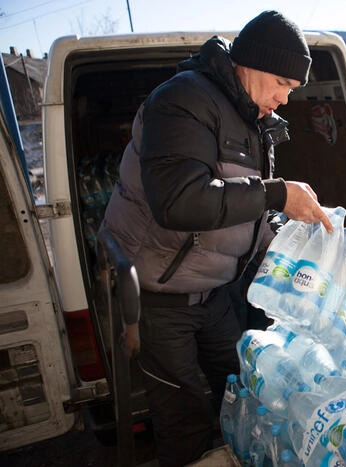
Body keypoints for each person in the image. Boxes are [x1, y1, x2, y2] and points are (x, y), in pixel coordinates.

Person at [100, 10, 331, 466]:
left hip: (214, 290)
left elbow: (246, 207)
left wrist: (295, 248)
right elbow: (180, 203)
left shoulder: (251, 117)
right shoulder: (182, 101)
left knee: (245, 386)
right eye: (282, 83)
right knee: (183, 417)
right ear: (252, 62)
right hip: (159, 296)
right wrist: (278, 194)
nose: (284, 99)